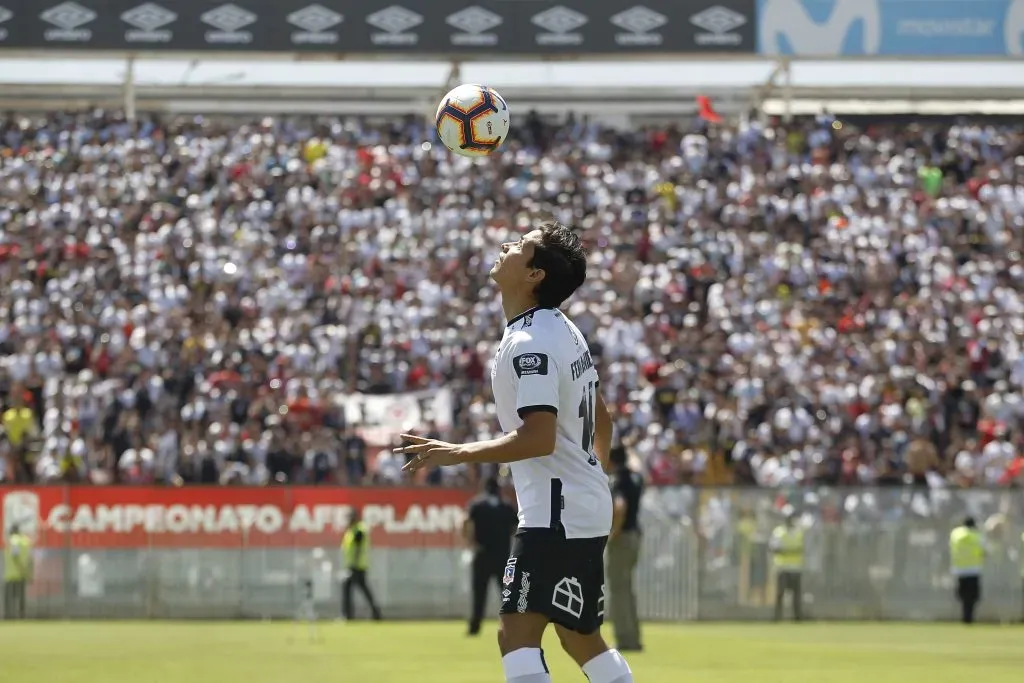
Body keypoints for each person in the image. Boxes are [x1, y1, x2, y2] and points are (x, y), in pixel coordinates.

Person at [399, 222, 635, 683]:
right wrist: (588, 479)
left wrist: (456, 452)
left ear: (534, 275)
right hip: (578, 507)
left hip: (555, 514)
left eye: (521, 246)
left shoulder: (531, 341)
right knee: (579, 637)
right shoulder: (563, 329)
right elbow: (600, 416)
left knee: (516, 636)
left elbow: (539, 437)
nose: (507, 246)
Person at [465, 476, 519, 636]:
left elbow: (467, 524)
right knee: (507, 593)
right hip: (503, 555)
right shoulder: (506, 506)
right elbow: (516, 527)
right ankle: (512, 626)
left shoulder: (477, 505)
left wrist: (471, 542)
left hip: (482, 554)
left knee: (479, 593)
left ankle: (475, 626)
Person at [605, 444, 644, 652]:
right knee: (627, 589)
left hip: (622, 537)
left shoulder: (618, 480)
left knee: (619, 590)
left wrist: (613, 532)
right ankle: (634, 637)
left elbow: (619, 506)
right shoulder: (636, 477)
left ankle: (625, 640)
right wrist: (630, 447)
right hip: (635, 535)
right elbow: (636, 463)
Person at [341, 507, 382, 621]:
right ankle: (376, 613)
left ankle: (348, 615)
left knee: (347, 587)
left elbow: (358, 549)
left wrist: (353, 564)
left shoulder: (358, 530)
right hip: (357, 566)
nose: (348, 520)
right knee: (364, 590)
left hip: (357, 566)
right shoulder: (353, 530)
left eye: (349, 518)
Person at [770, 510, 804, 622]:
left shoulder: (799, 532)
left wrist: (788, 551)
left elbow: (802, 548)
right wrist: (789, 551)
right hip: (782, 567)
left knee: (796, 596)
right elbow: (774, 548)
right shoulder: (779, 532)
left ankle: (797, 617)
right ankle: (777, 617)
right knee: (780, 594)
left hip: (795, 568)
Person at [949, 516, 985, 624]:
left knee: (963, 596)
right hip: (974, 569)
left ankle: (965, 617)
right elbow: (984, 550)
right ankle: (968, 618)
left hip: (959, 569)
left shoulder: (955, 534)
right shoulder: (977, 535)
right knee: (973, 597)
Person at [3, 523, 33, 619]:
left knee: (9, 598)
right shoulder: (25, 541)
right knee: (21, 597)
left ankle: (9, 615)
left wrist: (20, 568)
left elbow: (15, 555)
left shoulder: (14, 541)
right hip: (22, 574)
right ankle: (22, 615)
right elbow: (29, 558)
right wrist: (27, 572)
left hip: (11, 574)